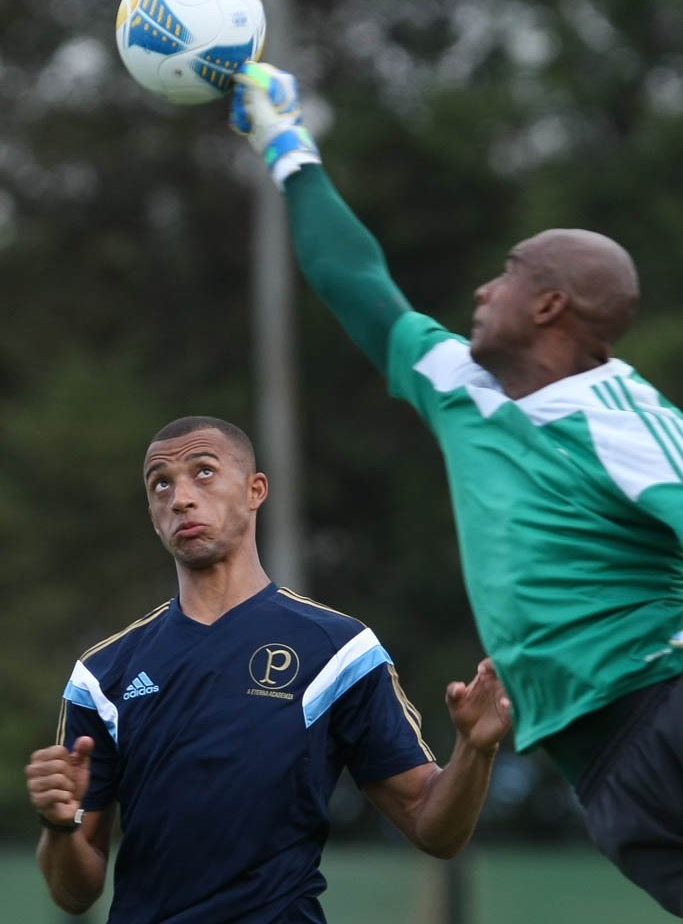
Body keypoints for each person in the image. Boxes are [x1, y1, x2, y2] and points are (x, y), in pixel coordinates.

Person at [228, 62, 683, 916]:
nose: (483, 288)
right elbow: (356, 284)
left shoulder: (622, 417)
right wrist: (286, 147)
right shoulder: (458, 387)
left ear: (549, 306)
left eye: (506, 273)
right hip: (606, 776)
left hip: (663, 710)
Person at [26, 415, 510, 923]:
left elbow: (432, 826)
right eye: (160, 483)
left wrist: (475, 750)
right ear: (151, 511)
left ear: (256, 490)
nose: (181, 497)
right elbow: (74, 893)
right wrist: (58, 826)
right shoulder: (102, 676)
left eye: (204, 471)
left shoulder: (339, 651)